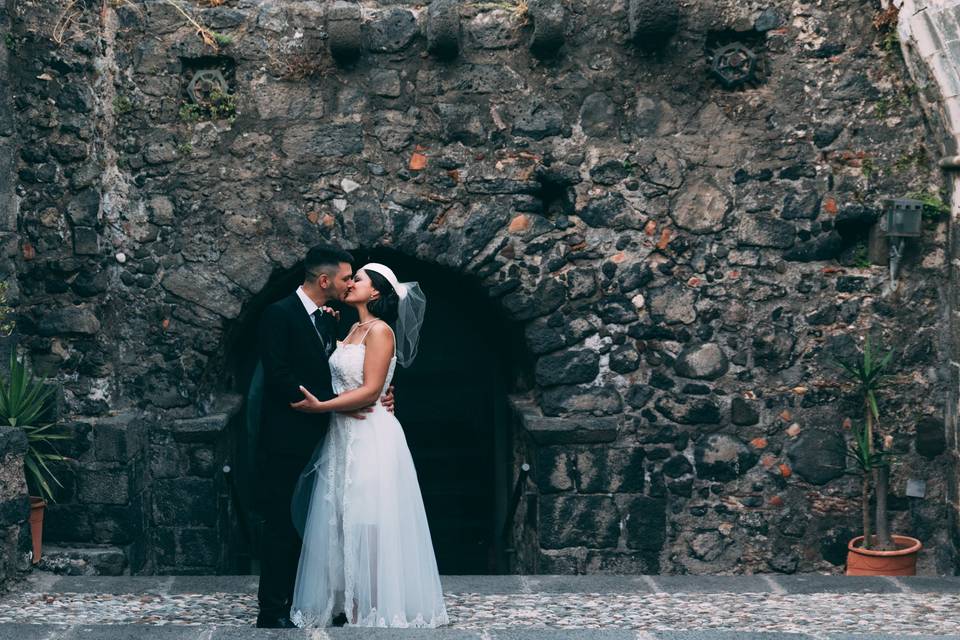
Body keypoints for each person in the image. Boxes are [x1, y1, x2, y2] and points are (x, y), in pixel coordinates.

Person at [288, 263, 448, 628]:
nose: (350, 283)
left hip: (371, 434)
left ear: (375, 292)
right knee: (341, 516)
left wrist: (321, 407)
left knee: (370, 519)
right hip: (342, 434)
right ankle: (347, 599)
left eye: (357, 279)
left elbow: (372, 390)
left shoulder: (380, 331)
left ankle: (373, 607)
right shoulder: (352, 328)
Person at [254, 245, 393, 629]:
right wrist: (336, 403)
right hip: (289, 436)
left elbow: (354, 372)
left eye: (356, 279)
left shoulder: (332, 321)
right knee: (283, 520)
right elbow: (278, 375)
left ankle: (340, 602)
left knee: (330, 520)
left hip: (332, 436)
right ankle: (272, 610)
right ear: (324, 280)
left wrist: (378, 394)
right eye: (347, 277)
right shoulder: (278, 314)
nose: (350, 284)